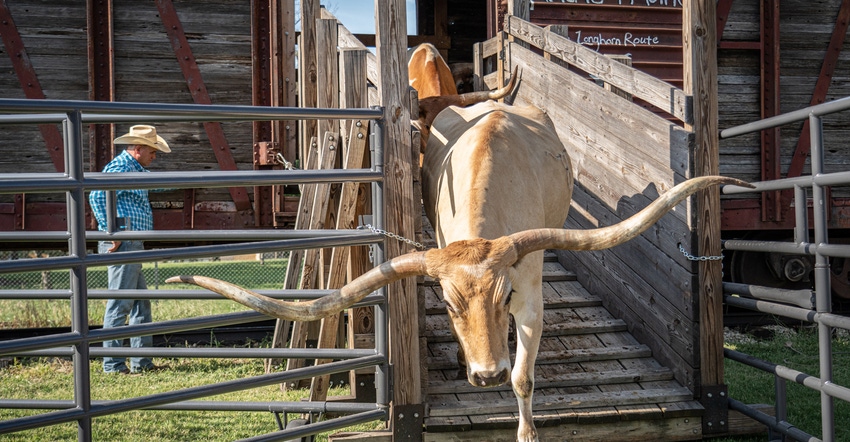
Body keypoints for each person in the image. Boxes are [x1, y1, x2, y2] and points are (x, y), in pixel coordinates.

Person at [88, 125, 171, 374]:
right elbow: (97, 195)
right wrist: (111, 231)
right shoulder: (122, 167)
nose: (154, 156)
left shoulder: (134, 169)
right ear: (138, 149)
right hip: (124, 240)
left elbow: (151, 186)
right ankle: (113, 364)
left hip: (131, 241)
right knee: (121, 303)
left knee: (139, 304)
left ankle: (141, 362)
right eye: (152, 152)